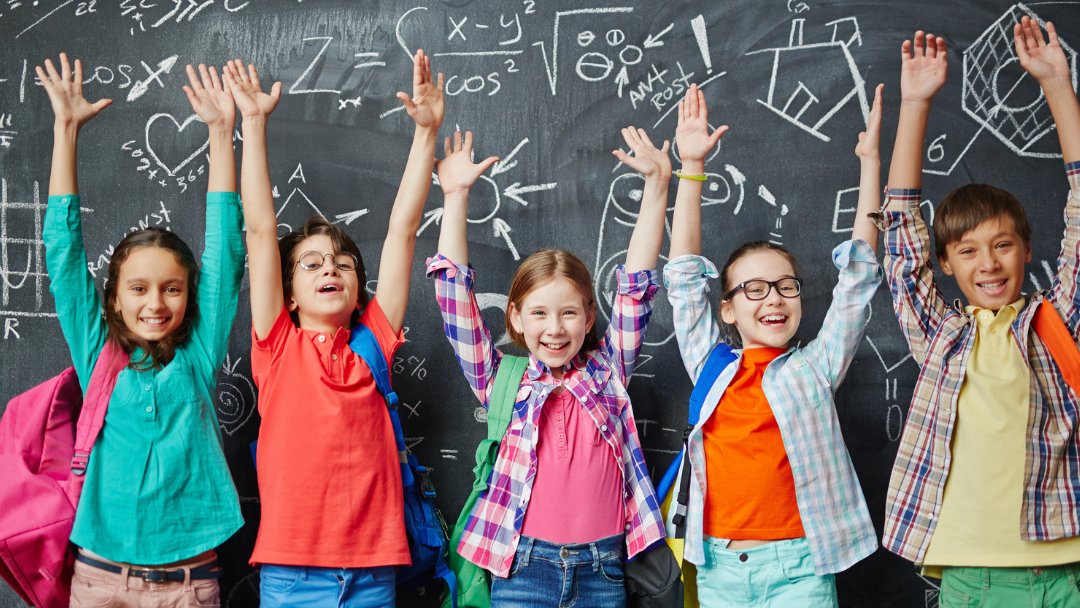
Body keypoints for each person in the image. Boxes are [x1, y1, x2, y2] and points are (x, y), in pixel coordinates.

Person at [227, 51, 443, 607]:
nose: (330, 269)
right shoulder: (277, 344)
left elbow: (403, 232)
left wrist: (426, 133)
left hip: (372, 575)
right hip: (292, 577)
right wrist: (253, 123)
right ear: (288, 295)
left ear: (357, 286)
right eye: (313, 263)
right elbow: (259, 231)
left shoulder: (373, 342)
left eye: (343, 264)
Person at [427, 124, 670, 606]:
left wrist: (657, 186)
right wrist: (454, 197)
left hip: (604, 569)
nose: (554, 328)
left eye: (568, 313)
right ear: (516, 317)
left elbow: (636, 288)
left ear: (589, 317)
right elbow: (453, 296)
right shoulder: (502, 380)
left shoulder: (608, 372)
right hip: (522, 570)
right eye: (539, 313)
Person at [880, 20, 1080, 606]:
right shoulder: (940, 336)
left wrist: (1057, 86)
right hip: (971, 578)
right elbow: (900, 237)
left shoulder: (1054, 325)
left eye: (1002, 245)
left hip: (1061, 571)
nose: (988, 264)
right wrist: (916, 104)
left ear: (1027, 250)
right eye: (967, 251)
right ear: (944, 262)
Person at [663, 83, 884, 607]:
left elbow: (858, 279)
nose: (774, 299)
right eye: (754, 289)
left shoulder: (815, 368)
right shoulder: (711, 366)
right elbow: (684, 279)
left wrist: (871, 163)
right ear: (727, 309)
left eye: (786, 286)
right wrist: (691, 168)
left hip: (802, 565)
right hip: (718, 564)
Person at [40, 53, 243, 606]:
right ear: (114, 298)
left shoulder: (197, 355)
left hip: (187, 586)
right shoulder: (98, 354)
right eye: (138, 289)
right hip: (99, 582)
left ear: (190, 296)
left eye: (171, 289)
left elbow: (226, 253)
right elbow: (63, 255)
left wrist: (221, 132)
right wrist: (66, 130)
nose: (155, 303)